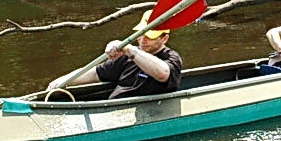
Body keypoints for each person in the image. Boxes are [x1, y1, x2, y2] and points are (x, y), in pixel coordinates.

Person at [47, 9, 183, 99]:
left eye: (150, 36)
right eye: (141, 34)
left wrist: (130, 49)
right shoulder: (126, 57)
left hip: (147, 114)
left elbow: (163, 74)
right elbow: (96, 73)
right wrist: (64, 81)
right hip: (115, 110)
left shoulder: (172, 58)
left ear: (164, 38)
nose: (143, 40)